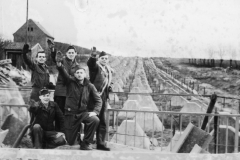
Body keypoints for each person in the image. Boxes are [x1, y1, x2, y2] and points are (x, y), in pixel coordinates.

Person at [56, 61, 102, 150]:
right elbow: (63, 73)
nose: (79, 74)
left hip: (82, 113)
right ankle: (77, 137)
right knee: (69, 142)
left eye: (81, 72)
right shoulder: (69, 82)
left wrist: (95, 112)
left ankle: (86, 143)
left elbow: (98, 100)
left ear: (85, 74)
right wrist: (60, 66)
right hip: (70, 115)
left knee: (94, 119)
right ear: (75, 75)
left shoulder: (90, 86)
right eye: (77, 73)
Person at [87, 48, 113, 151]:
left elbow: (107, 82)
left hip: (103, 98)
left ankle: (100, 143)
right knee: (93, 120)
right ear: (99, 59)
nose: (104, 60)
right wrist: (93, 57)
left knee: (102, 121)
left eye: (106, 58)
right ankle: (87, 142)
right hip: (94, 98)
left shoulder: (108, 69)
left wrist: (109, 87)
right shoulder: (96, 67)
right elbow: (91, 65)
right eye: (102, 58)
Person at [50, 44, 79, 131]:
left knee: (69, 115)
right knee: (59, 115)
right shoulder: (62, 61)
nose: (71, 54)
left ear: (75, 53)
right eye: (69, 52)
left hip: (71, 94)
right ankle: (59, 135)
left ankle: (68, 135)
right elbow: (55, 59)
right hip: (61, 93)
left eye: (72, 52)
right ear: (66, 53)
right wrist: (52, 50)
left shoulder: (77, 66)